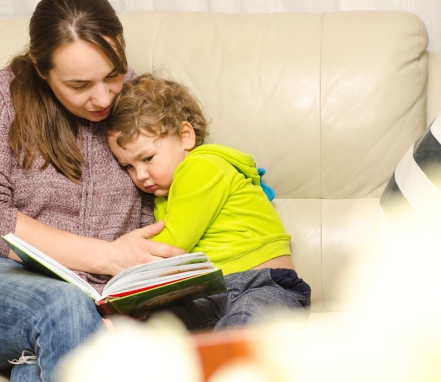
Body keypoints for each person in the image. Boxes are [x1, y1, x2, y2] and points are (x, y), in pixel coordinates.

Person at [0, 0, 183, 381]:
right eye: (80, 85)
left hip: (101, 298)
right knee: (65, 306)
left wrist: (135, 299)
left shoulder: (140, 100)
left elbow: (166, 203)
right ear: (40, 67)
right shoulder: (2, 95)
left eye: (113, 75)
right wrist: (107, 258)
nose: (103, 98)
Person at [106, 74, 311, 331]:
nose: (140, 175)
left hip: (264, 286)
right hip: (211, 295)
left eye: (147, 158)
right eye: (128, 166)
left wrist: (120, 268)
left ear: (185, 136)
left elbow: (172, 244)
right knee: (152, 332)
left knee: (240, 331)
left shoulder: (201, 166)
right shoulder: (163, 196)